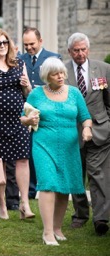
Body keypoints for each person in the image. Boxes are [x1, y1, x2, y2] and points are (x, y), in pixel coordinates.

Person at [21, 57, 92, 245]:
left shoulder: (75, 93)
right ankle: (47, 232)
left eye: (62, 72)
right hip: (43, 145)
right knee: (48, 184)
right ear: (47, 76)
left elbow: (85, 117)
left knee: (63, 188)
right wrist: (29, 120)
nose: (60, 76)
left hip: (69, 147)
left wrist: (86, 128)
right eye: (55, 74)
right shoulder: (37, 94)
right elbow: (23, 117)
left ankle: (57, 228)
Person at [0, 28, 34, 220]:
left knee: (23, 160)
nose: (3, 46)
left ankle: (24, 204)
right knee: (0, 163)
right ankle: (2, 203)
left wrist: (27, 84)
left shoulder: (19, 63)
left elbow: (28, 93)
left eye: (5, 43)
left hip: (18, 119)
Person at [65, 32, 110, 236]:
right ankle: (80, 214)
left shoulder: (103, 69)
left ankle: (101, 218)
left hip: (100, 132)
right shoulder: (62, 71)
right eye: (76, 50)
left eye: (83, 49)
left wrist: (107, 123)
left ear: (88, 49)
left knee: (98, 176)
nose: (80, 54)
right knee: (77, 176)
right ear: (69, 51)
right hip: (73, 134)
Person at [20, 26, 62, 200]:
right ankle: (30, 190)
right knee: (28, 151)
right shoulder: (19, 59)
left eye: (32, 44)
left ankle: (48, 185)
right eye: (26, 45)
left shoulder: (53, 58)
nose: (29, 48)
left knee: (46, 150)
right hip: (27, 112)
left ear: (40, 41)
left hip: (48, 112)